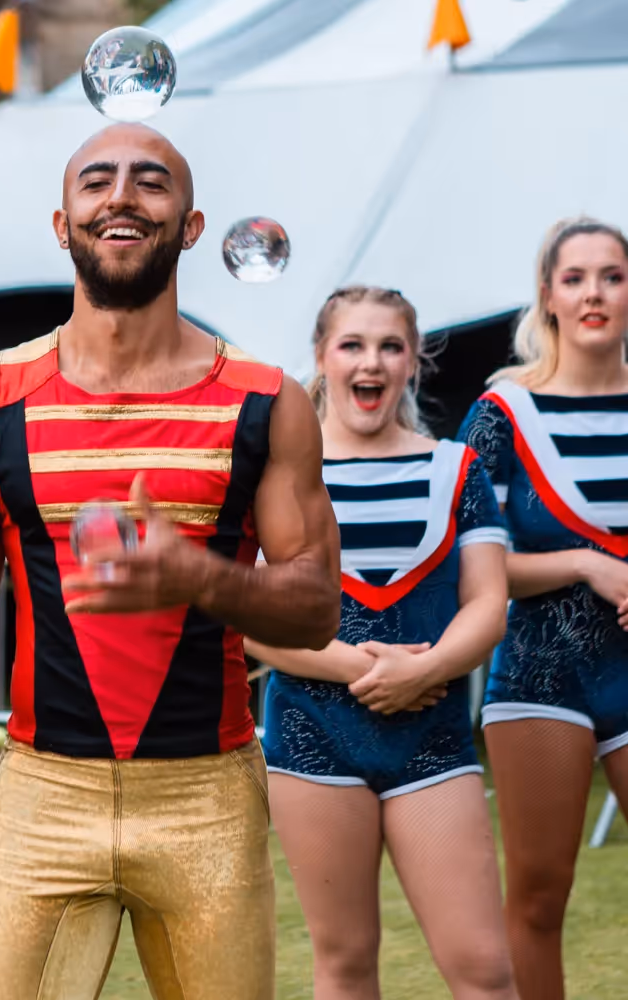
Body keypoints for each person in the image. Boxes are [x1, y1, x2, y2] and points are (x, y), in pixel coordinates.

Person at [0, 122, 341, 1000]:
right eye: (97, 182)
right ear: (61, 223)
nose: (122, 196)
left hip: (208, 799)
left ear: (191, 227)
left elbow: (316, 607)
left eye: (151, 182)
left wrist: (198, 576)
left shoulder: (268, 402)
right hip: (42, 799)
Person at [247, 286, 517, 999]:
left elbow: (488, 603)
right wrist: (366, 670)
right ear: (321, 357)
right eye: (353, 345)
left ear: (413, 363)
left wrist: (430, 669)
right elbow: (257, 619)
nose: (372, 362)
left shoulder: (457, 469)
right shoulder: (281, 472)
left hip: (432, 740)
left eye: (390, 346)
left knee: (485, 968)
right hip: (312, 741)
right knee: (344, 963)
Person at [458, 217, 628, 1000]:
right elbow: (472, 572)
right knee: (535, 898)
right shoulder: (501, 415)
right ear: (547, 296)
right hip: (539, 677)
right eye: (576, 278)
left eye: (612, 276)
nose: (594, 292)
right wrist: (585, 564)